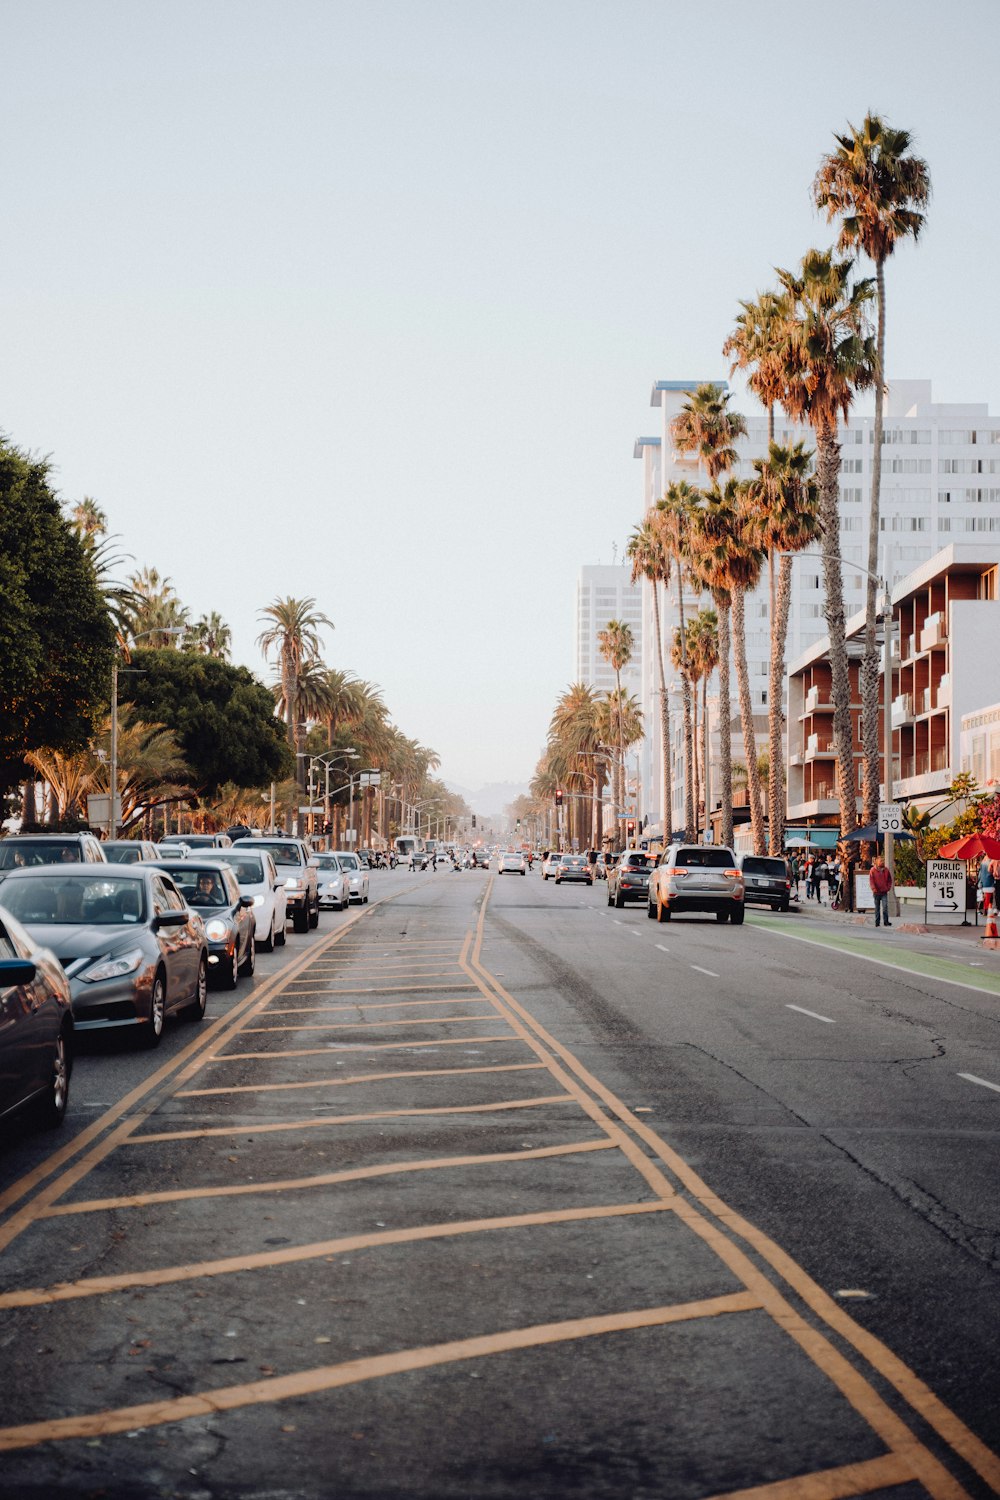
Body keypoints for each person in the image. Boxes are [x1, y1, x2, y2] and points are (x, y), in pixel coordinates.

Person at [870, 853, 893, 928]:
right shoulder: (873, 870)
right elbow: (871, 881)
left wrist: (888, 887)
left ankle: (886, 921)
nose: (882, 862)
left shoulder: (886, 870)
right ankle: (877, 922)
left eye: (883, 861)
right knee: (877, 908)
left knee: (885, 906)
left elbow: (890, 880)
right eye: (880, 861)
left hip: (884, 892)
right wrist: (874, 889)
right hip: (876, 892)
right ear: (876, 862)